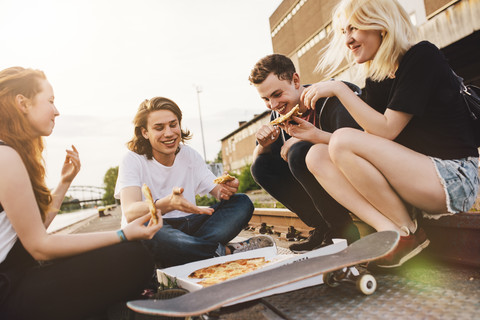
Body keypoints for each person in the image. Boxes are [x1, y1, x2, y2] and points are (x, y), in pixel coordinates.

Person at [289, 0, 479, 267]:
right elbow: (369, 142)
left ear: (380, 25)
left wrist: (339, 88)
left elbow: (387, 130)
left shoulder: (422, 56)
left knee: (342, 139)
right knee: (316, 156)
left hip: (453, 179)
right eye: (344, 31)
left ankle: (405, 233)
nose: (347, 40)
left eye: (353, 28)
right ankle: (394, 232)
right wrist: (315, 135)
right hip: (417, 174)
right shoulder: (378, 76)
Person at [0, 67, 163, 320]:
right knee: (133, 256)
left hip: (15, 280)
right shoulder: (5, 156)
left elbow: (33, 233)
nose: (56, 110)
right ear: (22, 103)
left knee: (118, 257)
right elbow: (40, 247)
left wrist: (65, 182)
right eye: (51, 101)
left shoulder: (9, 153)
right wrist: (122, 234)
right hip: (8, 294)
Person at [115, 96, 273, 268]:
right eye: (159, 128)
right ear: (145, 132)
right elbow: (130, 212)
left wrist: (226, 188)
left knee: (242, 202)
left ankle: (184, 252)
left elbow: (216, 189)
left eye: (173, 125)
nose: (169, 133)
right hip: (159, 228)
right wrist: (168, 204)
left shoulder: (189, 155)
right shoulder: (132, 159)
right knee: (147, 225)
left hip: (192, 226)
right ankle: (224, 252)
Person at [249, 54, 361, 252]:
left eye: (277, 94)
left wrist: (308, 137)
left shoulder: (329, 99)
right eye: (266, 99)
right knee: (260, 166)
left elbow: (357, 142)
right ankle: (323, 226)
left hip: (355, 179)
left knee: (299, 151)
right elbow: (262, 162)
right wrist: (263, 144)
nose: (273, 105)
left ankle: (342, 229)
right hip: (324, 187)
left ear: (296, 81)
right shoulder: (279, 113)